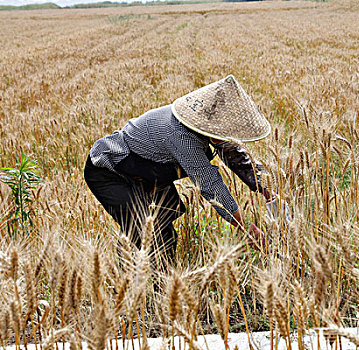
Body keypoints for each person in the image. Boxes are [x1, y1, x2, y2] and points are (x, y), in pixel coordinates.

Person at [84, 75, 288, 263]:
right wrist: (247, 230)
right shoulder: (181, 135)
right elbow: (211, 186)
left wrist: (268, 192)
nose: (227, 137)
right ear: (208, 125)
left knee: (164, 231)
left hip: (147, 172)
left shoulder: (206, 124)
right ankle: (132, 286)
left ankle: (163, 284)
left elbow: (237, 157)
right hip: (110, 170)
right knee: (148, 235)